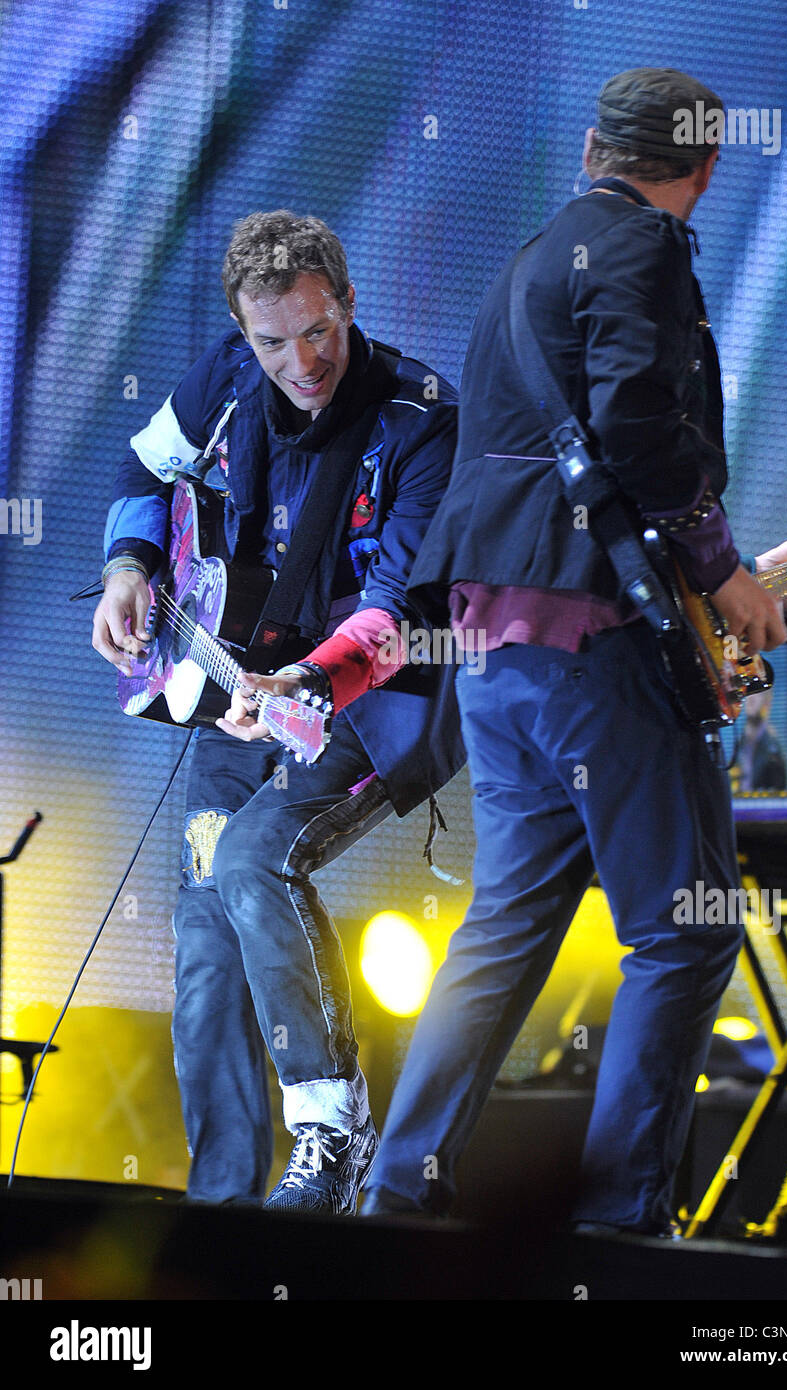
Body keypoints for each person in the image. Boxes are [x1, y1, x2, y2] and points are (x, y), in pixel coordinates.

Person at [363, 69, 787, 1232]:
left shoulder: (529, 258)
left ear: (588, 146)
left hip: (498, 652)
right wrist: (722, 574)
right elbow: (631, 424)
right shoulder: (649, 246)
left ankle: (395, 1197)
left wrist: (720, 571)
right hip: (589, 651)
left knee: (506, 924)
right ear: (706, 170)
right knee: (684, 928)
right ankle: (623, 1233)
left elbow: (569, 465)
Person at [92, 210, 463, 1212]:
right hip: (234, 696)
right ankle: (227, 1210)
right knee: (207, 948)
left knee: (257, 857)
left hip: (368, 700)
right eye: (272, 341)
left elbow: (402, 611)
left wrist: (309, 683)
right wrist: (128, 567)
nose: (299, 360)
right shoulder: (224, 378)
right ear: (241, 334)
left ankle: (331, 1143)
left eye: (317, 330)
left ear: (347, 302)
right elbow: (142, 465)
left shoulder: (421, 415)